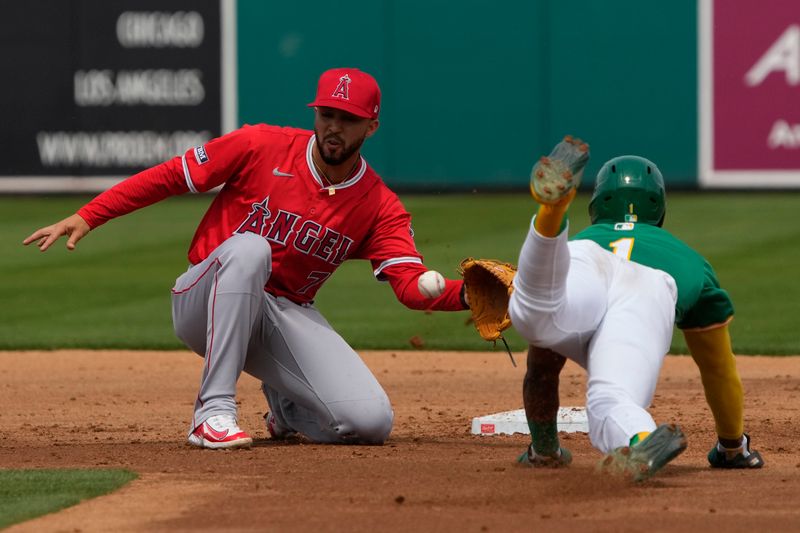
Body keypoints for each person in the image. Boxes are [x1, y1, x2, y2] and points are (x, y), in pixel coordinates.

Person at [23, 67, 468, 449]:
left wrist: (469, 295)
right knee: (251, 248)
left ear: (371, 126)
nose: (334, 127)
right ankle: (212, 412)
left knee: (370, 423)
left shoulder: (378, 205)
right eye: (326, 114)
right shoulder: (260, 145)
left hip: (283, 313)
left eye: (347, 119)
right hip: (205, 297)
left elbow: (412, 286)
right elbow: (169, 176)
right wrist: (89, 215)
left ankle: (288, 409)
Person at [507, 137, 764, 480]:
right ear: (659, 207)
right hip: (646, 289)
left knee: (536, 318)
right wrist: (732, 447)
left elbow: (542, 369)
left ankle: (551, 213)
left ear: (598, 202)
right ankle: (641, 440)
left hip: (587, 261)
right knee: (612, 397)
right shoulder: (691, 261)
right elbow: (718, 368)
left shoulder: (583, 242)